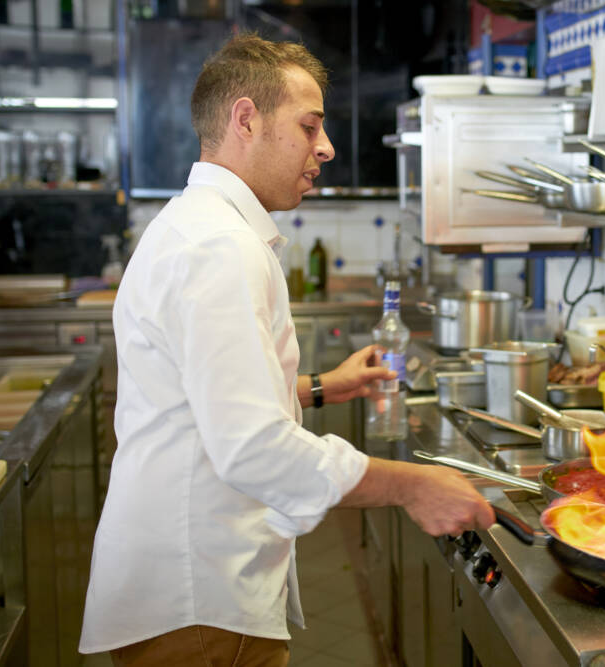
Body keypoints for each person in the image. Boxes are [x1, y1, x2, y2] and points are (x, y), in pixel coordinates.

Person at [79, 33, 494, 666]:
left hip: (188, 587)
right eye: (309, 126)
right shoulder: (218, 248)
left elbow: (208, 399)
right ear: (246, 119)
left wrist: (322, 386)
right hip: (200, 599)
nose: (325, 147)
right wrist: (412, 485)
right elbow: (250, 445)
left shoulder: (200, 226)